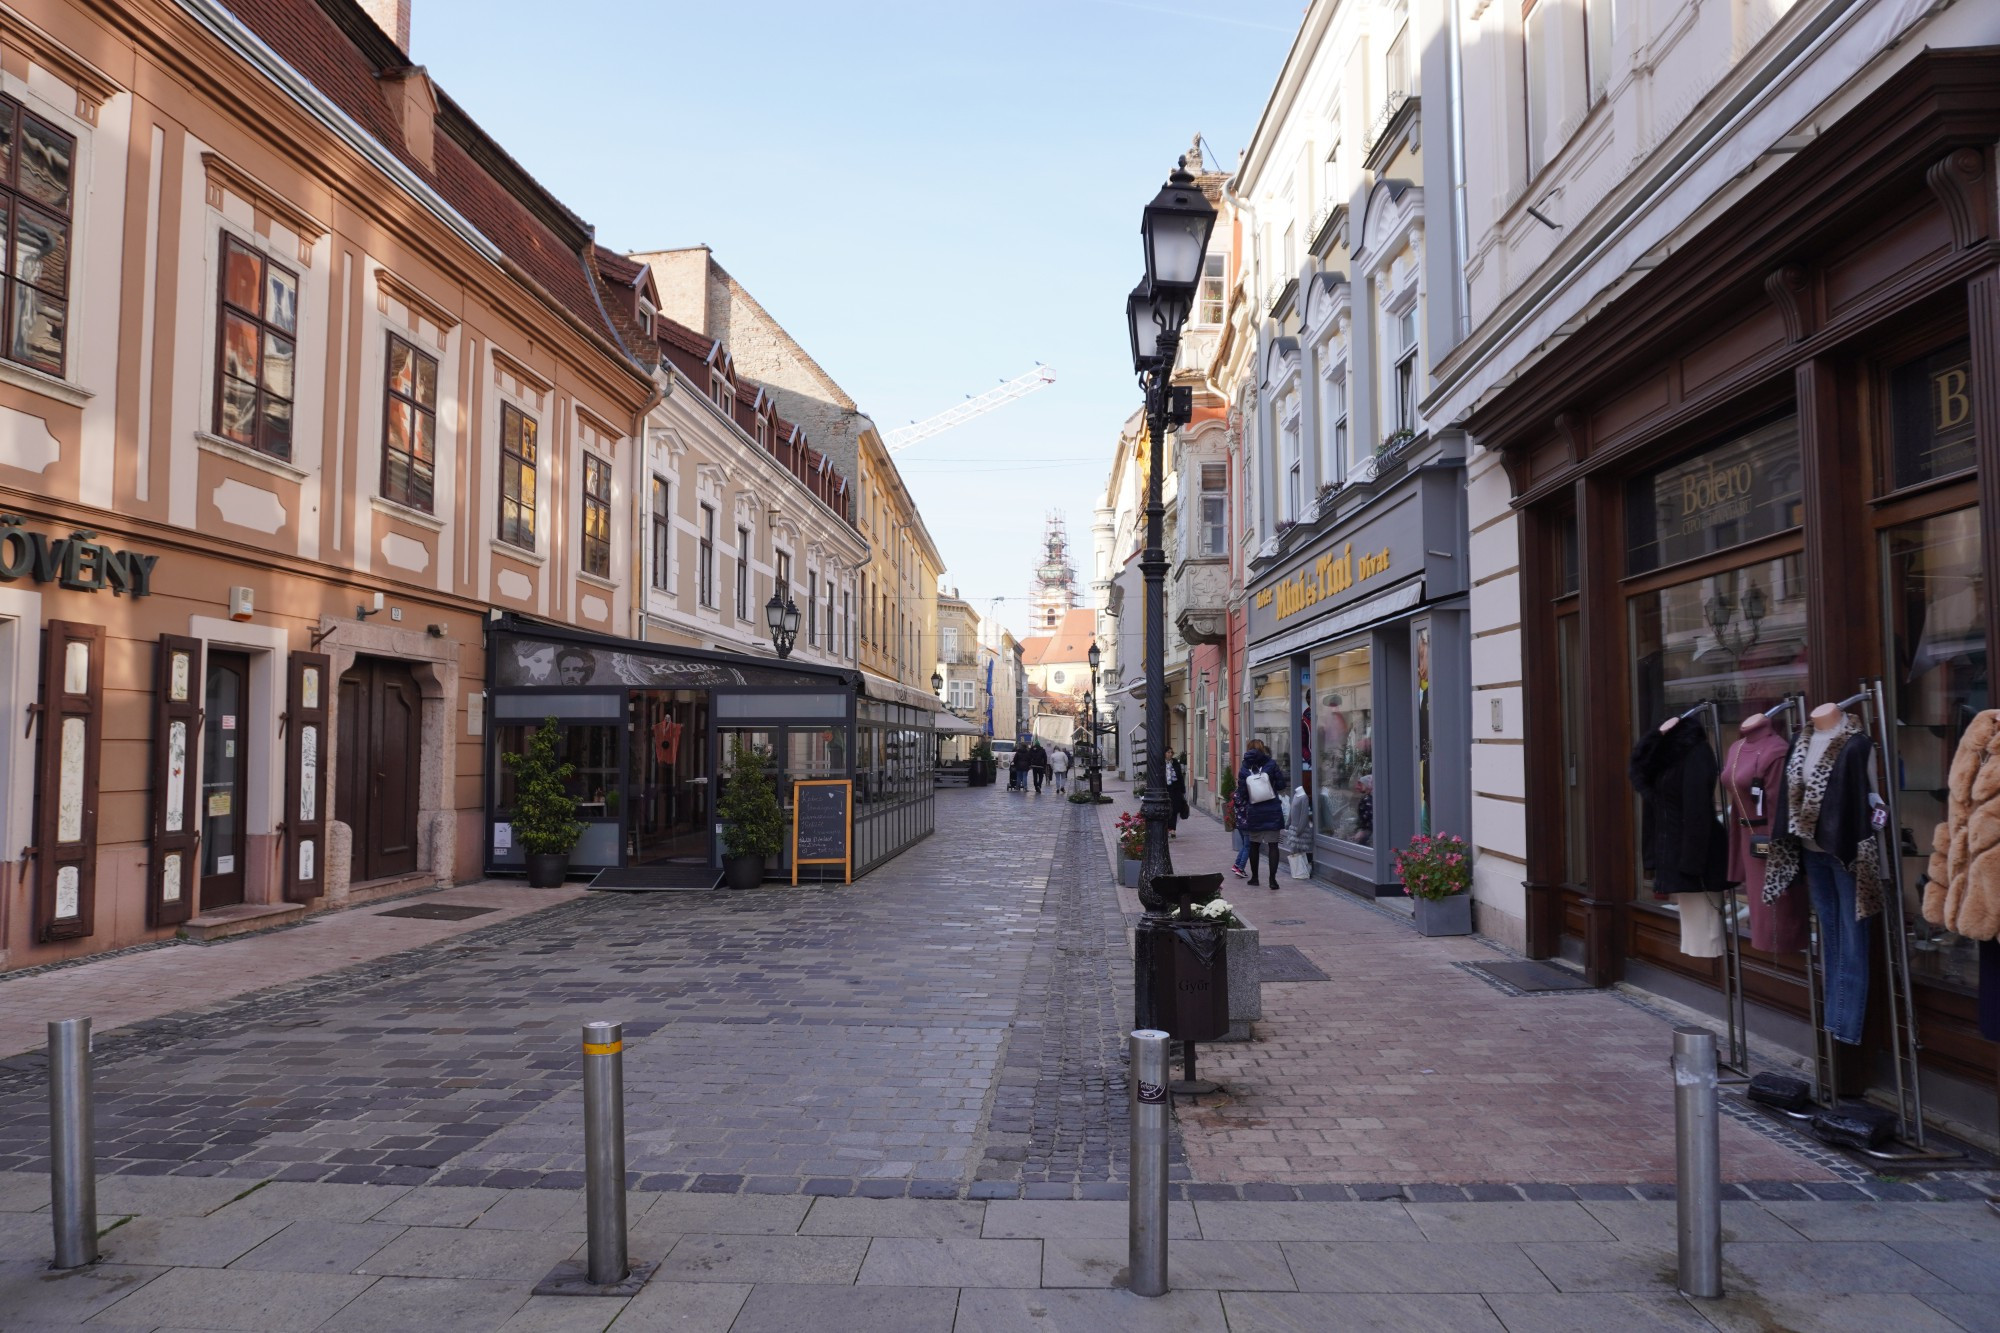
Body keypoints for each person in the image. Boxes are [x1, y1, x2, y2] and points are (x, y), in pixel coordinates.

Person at [1238, 741, 1289, 888]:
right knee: (1273, 846)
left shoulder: (1244, 768)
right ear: (1262, 749)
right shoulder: (1271, 764)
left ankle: (1255, 878)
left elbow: (1242, 793)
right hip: (1272, 809)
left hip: (1254, 811)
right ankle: (1272, 880)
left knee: (1254, 845)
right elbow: (1281, 785)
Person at [1166, 751, 1189, 838]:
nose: (1170, 754)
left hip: (1175, 789)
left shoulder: (1175, 763)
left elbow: (1180, 777)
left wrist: (1183, 790)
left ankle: (1172, 830)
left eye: (1171, 752)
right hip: (1165, 790)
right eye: (1168, 752)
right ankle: (1167, 827)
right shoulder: (1161, 763)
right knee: (1166, 810)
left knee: (1174, 809)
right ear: (1164, 753)